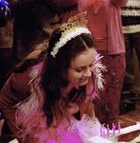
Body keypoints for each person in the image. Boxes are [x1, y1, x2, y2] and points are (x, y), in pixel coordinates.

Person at [55, 0, 129, 127]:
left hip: (112, 56)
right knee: (82, 110)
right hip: (80, 60)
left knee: (110, 111)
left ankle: (109, 139)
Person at [0, 13, 105, 142]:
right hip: (37, 125)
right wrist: (23, 136)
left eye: (91, 65)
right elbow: (5, 100)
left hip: (69, 123)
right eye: (79, 69)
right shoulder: (29, 77)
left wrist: (79, 108)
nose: (88, 73)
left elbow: (89, 95)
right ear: (60, 66)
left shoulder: (88, 66)